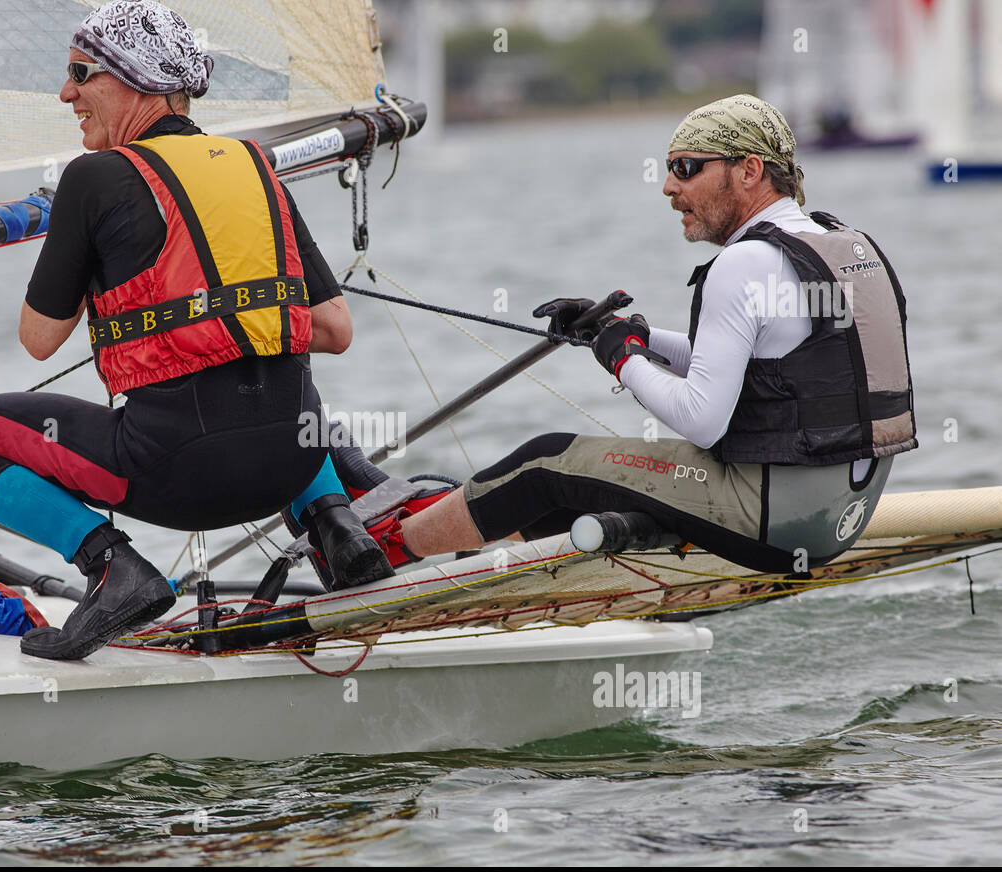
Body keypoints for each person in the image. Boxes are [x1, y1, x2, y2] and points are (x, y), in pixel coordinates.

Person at [0, 0, 389, 661]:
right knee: (292, 404)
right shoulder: (254, 164)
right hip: (289, 468)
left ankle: (112, 568)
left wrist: (76, 233)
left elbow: (38, 338)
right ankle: (340, 531)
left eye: (81, 74)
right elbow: (336, 329)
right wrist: (231, 315)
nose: (67, 93)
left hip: (176, 477)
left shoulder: (90, 179)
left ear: (132, 79)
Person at [373, 94, 916, 574]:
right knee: (573, 489)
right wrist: (627, 332)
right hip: (842, 515)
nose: (667, 186)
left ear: (750, 170)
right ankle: (485, 571)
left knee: (542, 462)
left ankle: (378, 552)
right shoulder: (844, 243)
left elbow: (703, 422)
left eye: (686, 167)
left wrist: (623, 361)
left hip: (776, 521)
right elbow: (760, 367)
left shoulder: (744, 263)